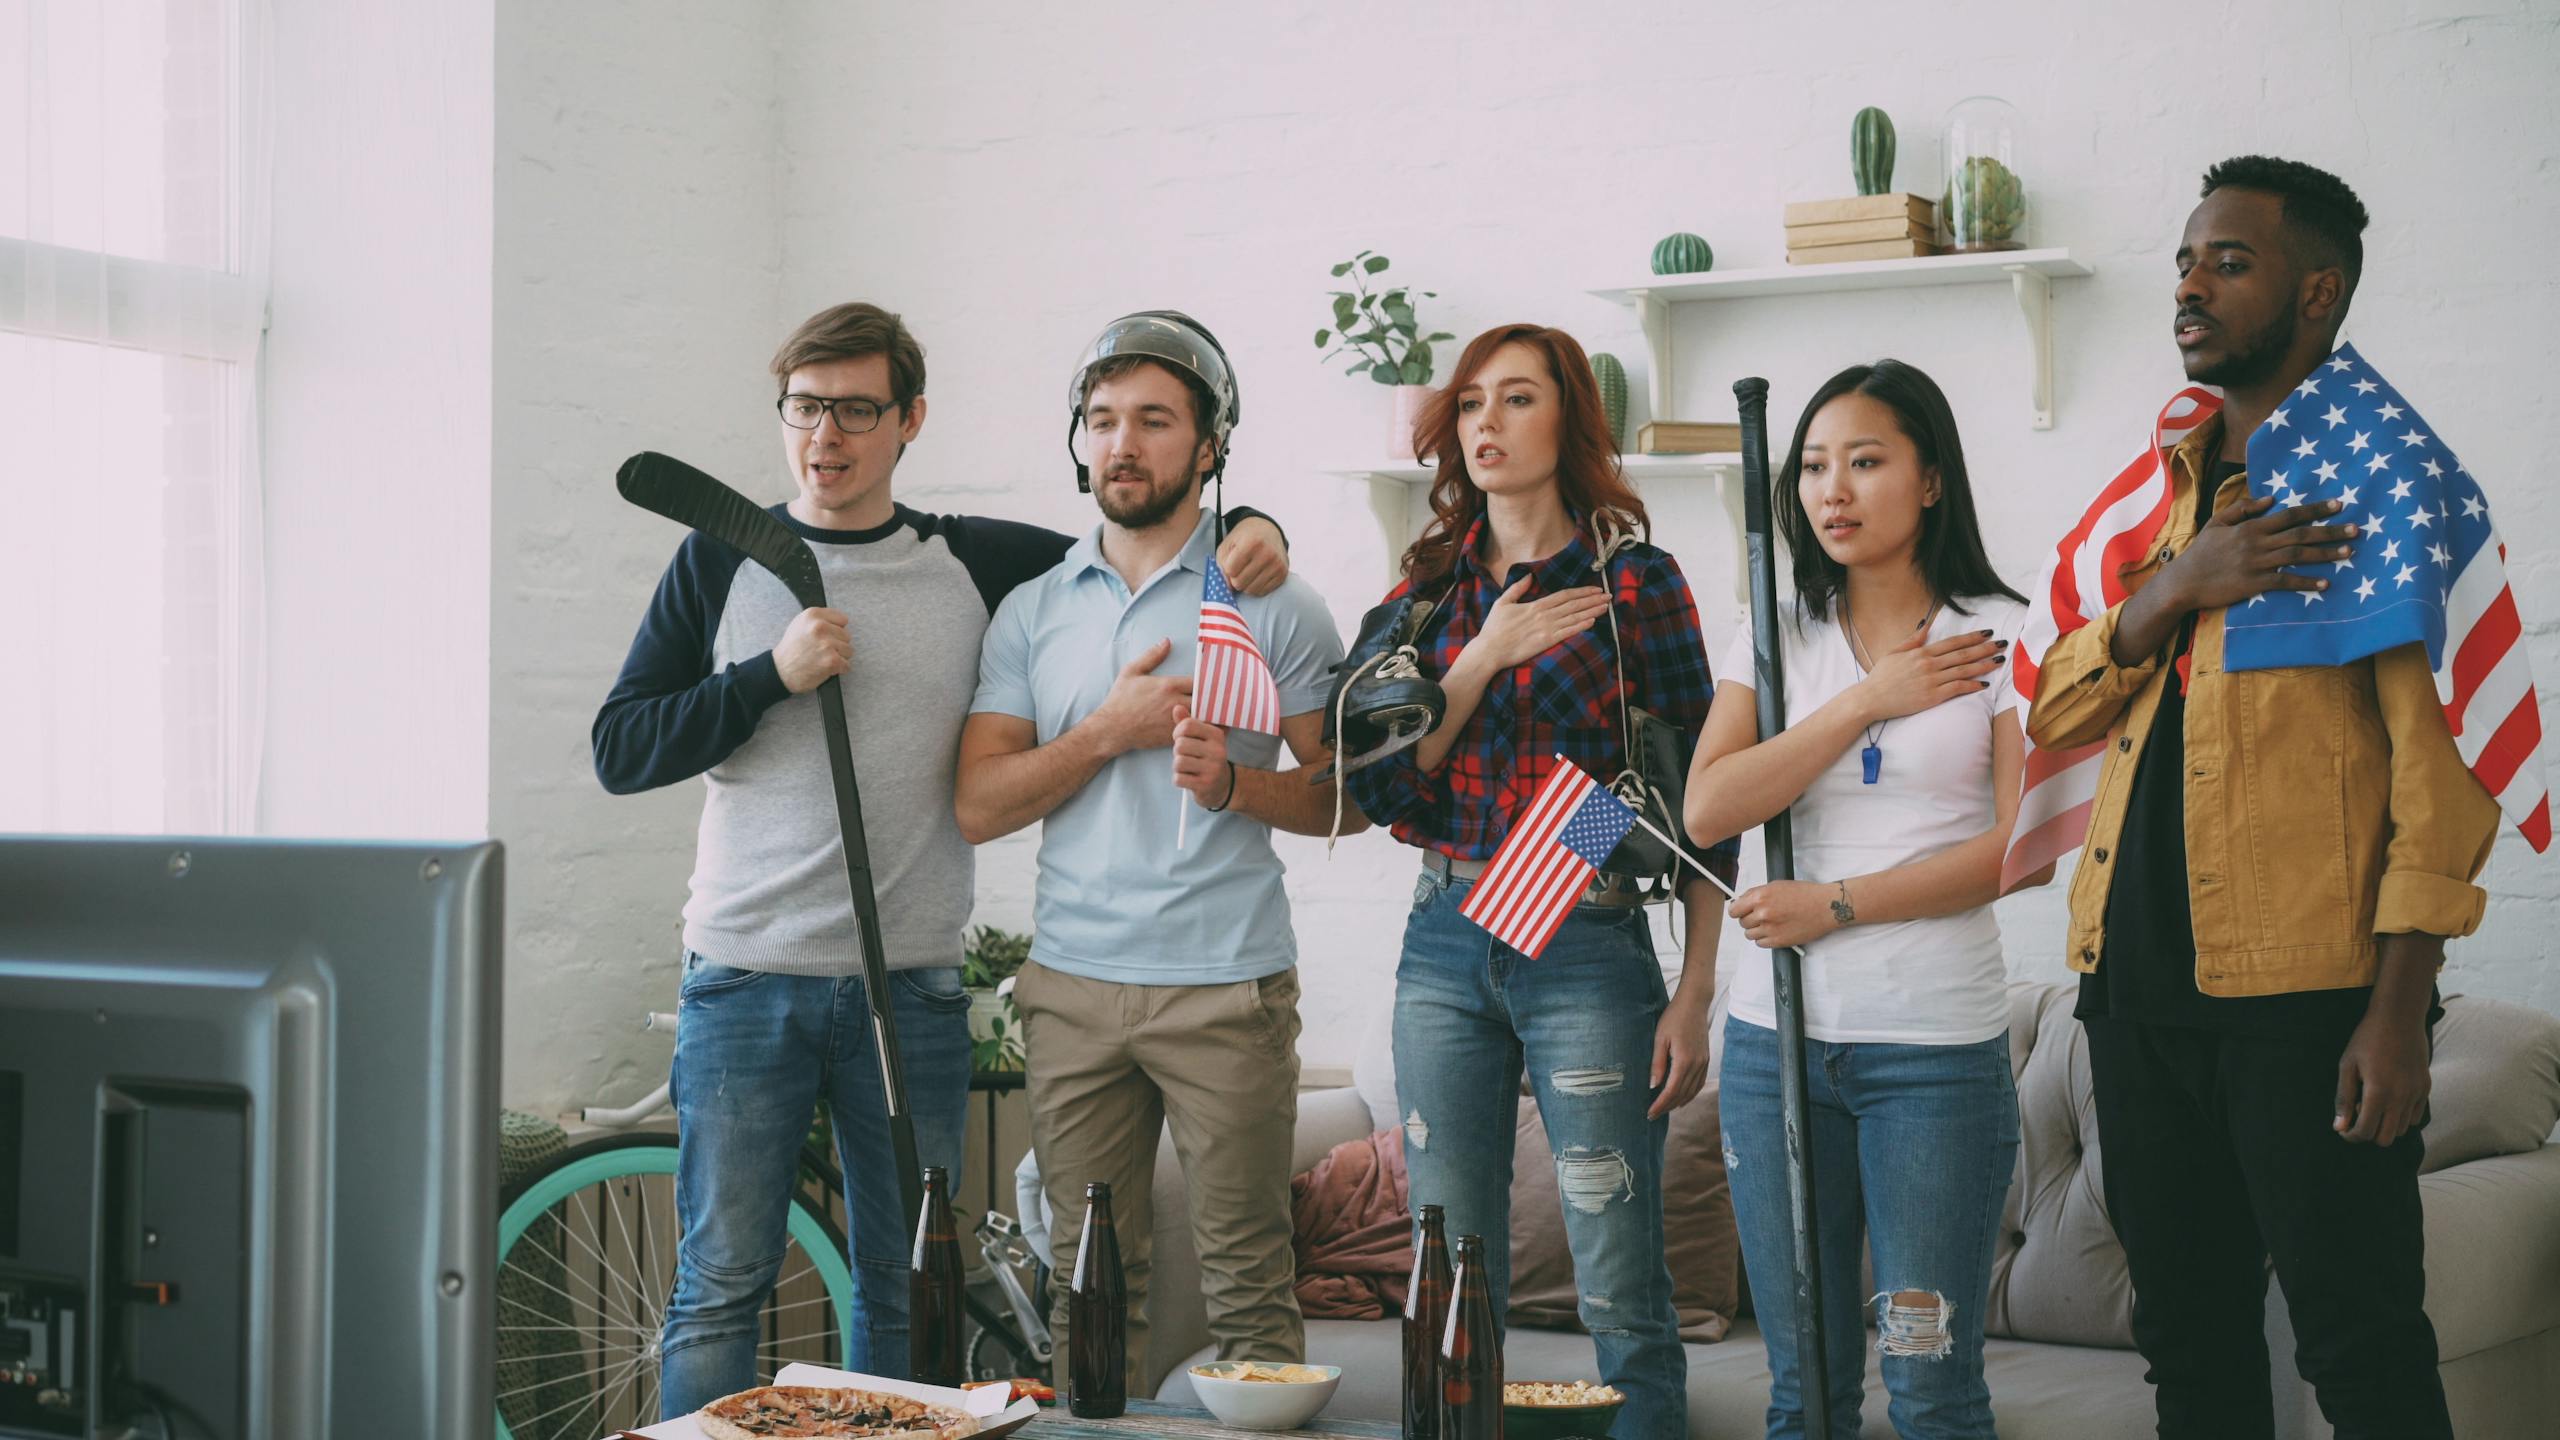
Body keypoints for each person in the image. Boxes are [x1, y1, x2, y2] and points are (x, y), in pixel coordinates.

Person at [592, 302, 1290, 1416]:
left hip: (906, 987)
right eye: (805, 408)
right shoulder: (719, 558)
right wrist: (767, 676)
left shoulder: (974, 562)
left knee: (905, 1282)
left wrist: (1252, 521)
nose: (827, 435)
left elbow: (1133, 538)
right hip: (742, 979)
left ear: (908, 420)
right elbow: (620, 749)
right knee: (721, 1283)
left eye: (856, 409)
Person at [2024, 157, 2500, 1439]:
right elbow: (2056, 706)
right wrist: (2178, 584)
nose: (2189, 283)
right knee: (2189, 1351)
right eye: (2185, 259)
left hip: (2307, 1004)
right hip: (2129, 995)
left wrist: (2397, 1015)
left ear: (2315, 291)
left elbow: (2441, 785)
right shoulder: (2162, 499)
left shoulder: (2378, 489)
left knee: (2360, 1351)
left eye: (2228, 261)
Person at [952, 310, 1355, 1387]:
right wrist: (1106, 734)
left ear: (1210, 447)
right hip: (1072, 990)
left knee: (1248, 1282)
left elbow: (1345, 800)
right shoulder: (1032, 612)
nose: (1121, 444)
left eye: (1154, 421)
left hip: (1226, 989)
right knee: (1084, 1288)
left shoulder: (1269, 602)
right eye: (1101, 421)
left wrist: (1233, 781)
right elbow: (978, 805)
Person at [1338, 322, 1726, 1440]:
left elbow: (1701, 797)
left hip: (1590, 942)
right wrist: (1479, 658)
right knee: (1447, 1272)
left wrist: (1695, 990)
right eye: (1471, 405)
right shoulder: (1424, 596)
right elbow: (1379, 786)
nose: (1488, 425)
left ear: (1568, 421)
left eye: (1517, 399)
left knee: (1617, 1267)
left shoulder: (1633, 582)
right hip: (1444, 938)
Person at [1685, 359, 2039, 1439]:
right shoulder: (1775, 632)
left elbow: (2018, 854)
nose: (1832, 490)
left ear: (1931, 479)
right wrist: (1862, 704)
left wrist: (1832, 904)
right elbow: (1707, 809)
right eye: (1813, 467)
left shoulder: (2004, 636)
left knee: (1930, 1385)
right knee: (1807, 1391)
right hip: (1771, 1053)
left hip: (1929, 1052)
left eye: (1867, 461)